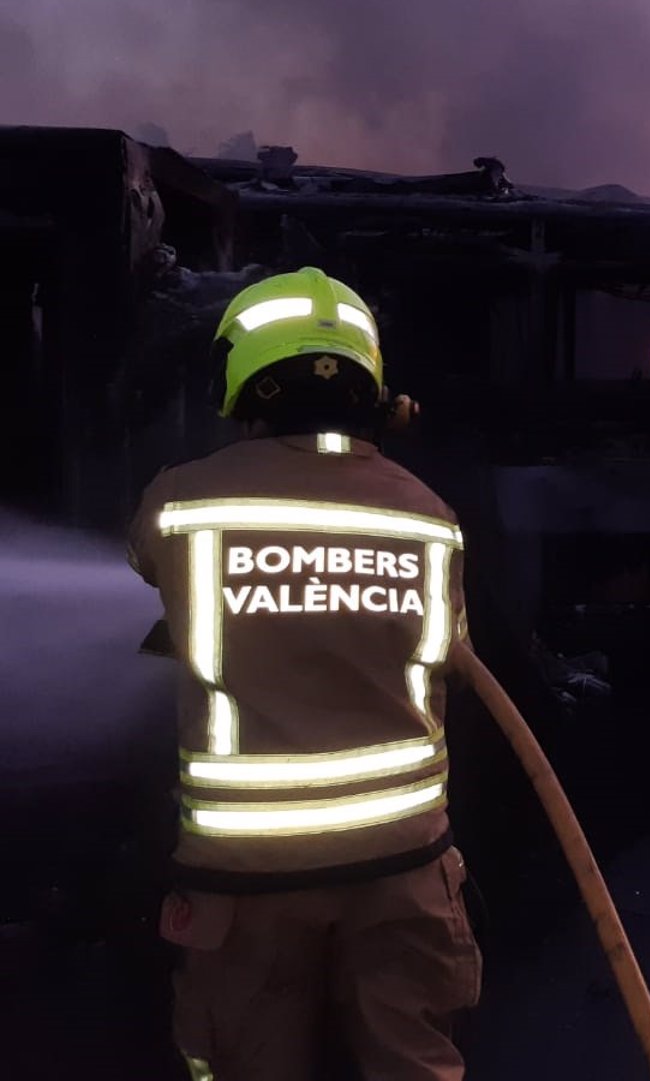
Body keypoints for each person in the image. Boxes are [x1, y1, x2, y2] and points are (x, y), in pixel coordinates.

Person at [128, 266, 483, 1081]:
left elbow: (149, 562)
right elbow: (454, 661)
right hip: (405, 869)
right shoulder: (430, 514)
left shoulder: (184, 504)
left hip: (246, 880)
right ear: (371, 381)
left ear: (239, 377)